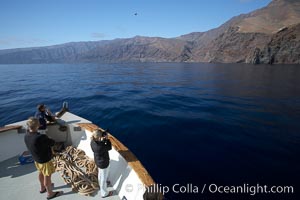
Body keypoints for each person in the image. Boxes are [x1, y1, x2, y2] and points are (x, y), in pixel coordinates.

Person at [24, 117, 62, 199]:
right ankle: (50, 193)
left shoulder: (26, 135)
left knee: (41, 173)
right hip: (45, 160)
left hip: (37, 159)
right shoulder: (40, 137)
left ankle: (42, 188)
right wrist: (50, 139)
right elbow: (52, 143)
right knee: (47, 176)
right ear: (38, 126)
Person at [90, 129, 113, 198]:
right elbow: (109, 147)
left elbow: (100, 144)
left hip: (98, 161)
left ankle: (102, 183)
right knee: (103, 177)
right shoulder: (99, 147)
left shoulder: (92, 141)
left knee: (101, 174)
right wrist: (107, 139)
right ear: (99, 137)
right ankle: (104, 193)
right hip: (103, 163)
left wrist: (103, 138)